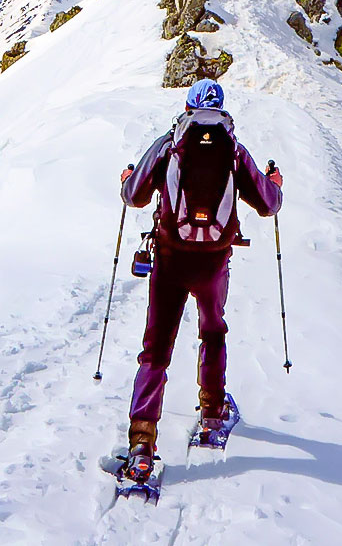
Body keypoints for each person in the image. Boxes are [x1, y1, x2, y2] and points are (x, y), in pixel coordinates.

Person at [118, 79, 282, 480]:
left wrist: (127, 177)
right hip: (213, 262)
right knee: (213, 331)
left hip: (170, 260)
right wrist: (275, 183)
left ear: (188, 106)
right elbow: (267, 204)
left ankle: (142, 441)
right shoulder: (234, 150)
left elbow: (135, 196)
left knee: (155, 350)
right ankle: (211, 411)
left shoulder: (169, 143)